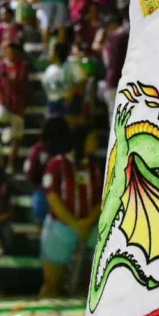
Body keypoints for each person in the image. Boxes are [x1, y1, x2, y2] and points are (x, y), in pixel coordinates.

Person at [39, 125, 102, 298]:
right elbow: (52, 197)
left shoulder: (95, 167)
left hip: (90, 228)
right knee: (52, 283)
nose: (96, 142)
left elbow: (103, 198)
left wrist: (87, 222)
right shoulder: (57, 164)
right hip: (60, 228)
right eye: (92, 138)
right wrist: (75, 224)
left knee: (90, 286)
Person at [0, 41, 29, 173]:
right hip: (3, 103)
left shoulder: (23, 67)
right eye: (7, 51)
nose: (9, 54)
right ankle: (4, 137)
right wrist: (1, 97)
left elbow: (24, 85)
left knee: (17, 135)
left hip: (18, 104)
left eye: (12, 51)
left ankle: (11, 162)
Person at [42, 42, 85, 121]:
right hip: (53, 102)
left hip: (69, 102)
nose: (50, 53)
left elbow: (82, 81)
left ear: (57, 52)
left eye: (52, 51)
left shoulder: (72, 66)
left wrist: (72, 93)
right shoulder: (50, 69)